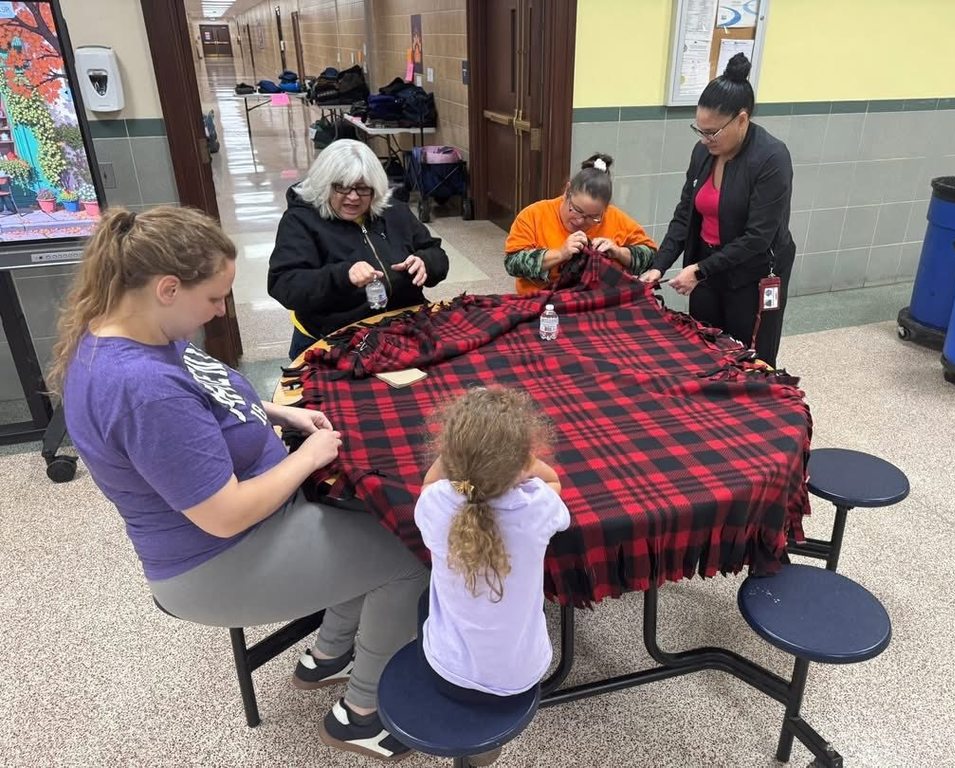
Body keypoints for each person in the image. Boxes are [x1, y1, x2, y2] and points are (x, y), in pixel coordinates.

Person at [51, 206, 425, 762]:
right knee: (409, 551)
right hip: (216, 560)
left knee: (367, 517)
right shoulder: (142, 387)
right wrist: (309, 456)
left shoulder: (140, 329)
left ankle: (329, 654)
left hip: (253, 525)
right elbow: (223, 515)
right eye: (214, 297)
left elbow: (213, 397)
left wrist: (280, 413)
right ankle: (362, 714)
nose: (222, 309)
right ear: (168, 289)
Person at [640, 53, 796, 367]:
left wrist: (699, 270)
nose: (704, 140)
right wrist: (659, 265)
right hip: (707, 267)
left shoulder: (771, 158)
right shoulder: (704, 153)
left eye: (712, 132)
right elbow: (685, 214)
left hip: (752, 274)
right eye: (699, 130)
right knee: (705, 349)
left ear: (742, 119)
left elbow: (757, 238)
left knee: (747, 358)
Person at [415, 387, 570, 701]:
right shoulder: (538, 506)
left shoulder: (435, 502)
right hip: (523, 675)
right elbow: (554, 481)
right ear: (523, 463)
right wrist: (525, 463)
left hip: (447, 671)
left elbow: (429, 484)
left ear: (448, 455)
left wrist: (458, 458)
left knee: (420, 601)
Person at [268, 139, 450, 359]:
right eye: (342, 187)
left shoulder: (394, 211)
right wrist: (343, 276)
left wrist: (426, 262)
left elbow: (437, 254)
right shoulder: (300, 221)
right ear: (324, 185)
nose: (353, 197)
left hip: (403, 327)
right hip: (333, 337)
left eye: (363, 188)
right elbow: (285, 285)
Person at [504, 153, 657, 295]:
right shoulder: (535, 215)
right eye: (576, 210)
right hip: (542, 300)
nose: (580, 221)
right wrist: (560, 254)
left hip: (596, 301)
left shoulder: (615, 218)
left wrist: (618, 252)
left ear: (605, 209)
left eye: (592, 217)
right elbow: (512, 263)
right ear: (567, 191)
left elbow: (651, 257)